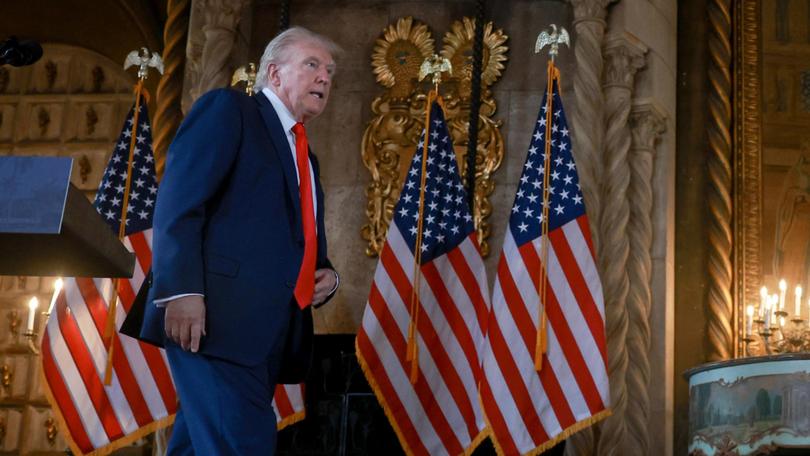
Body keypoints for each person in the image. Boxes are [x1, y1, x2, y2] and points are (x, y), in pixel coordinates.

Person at [140, 27, 340, 454]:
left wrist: (327, 277)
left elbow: (303, 243)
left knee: (199, 447)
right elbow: (180, 199)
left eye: (329, 71)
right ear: (274, 73)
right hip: (214, 322)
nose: (324, 77)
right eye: (312, 65)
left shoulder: (306, 155)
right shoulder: (230, 109)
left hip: (266, 337)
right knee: (243, 443)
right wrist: (182, 291)